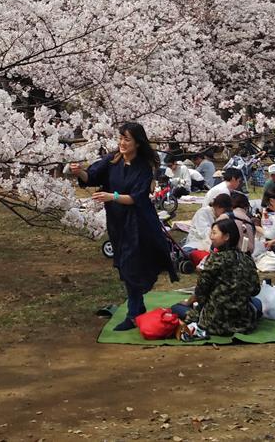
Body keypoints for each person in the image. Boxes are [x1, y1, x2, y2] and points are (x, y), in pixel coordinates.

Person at [71, 122, 177, 332]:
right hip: (117, 221)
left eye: (127, 139)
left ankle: (133, 313)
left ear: (137, 143)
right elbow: (92, 177)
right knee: (125, 264)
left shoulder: (143, 167)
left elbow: (136, 198)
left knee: (131, 265)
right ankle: (138, 307)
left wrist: (112, 196)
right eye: (120, 138)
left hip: (139, 221)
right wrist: (79, 172)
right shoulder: (113, 160)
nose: (122, 143)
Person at [169, 219, 262, 336]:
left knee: (176, 308)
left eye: (214, 233)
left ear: (226, 236)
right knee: (257, 303)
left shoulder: (215, 259)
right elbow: (255, 290)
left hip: (215, 322)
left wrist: (188, 302)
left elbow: (201, 292)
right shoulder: (246, 259)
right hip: (243, 322)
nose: (211, 236)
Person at [182, 194, 233, 265]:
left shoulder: (223, 216)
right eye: (224, 211)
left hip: (214, 245)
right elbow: (206, 234)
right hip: (197, 244)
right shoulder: (203, 213)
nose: (225, 214)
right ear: (217, 207)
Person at [229, 190, 261, 256]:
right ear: (246, 207)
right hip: (245, 256)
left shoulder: (226, 216)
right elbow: (251, 248)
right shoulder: (248, 222)